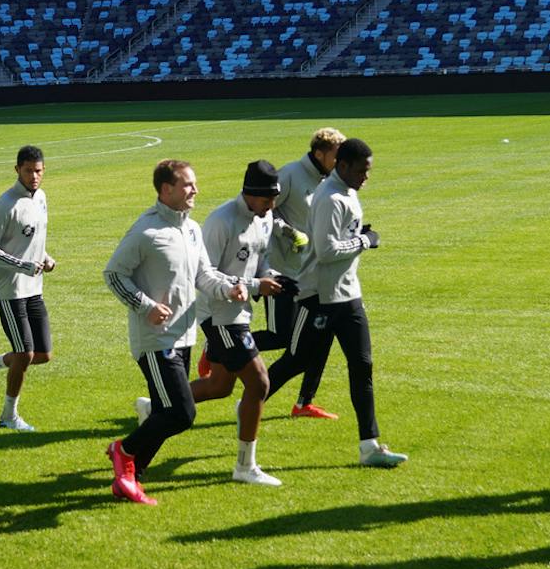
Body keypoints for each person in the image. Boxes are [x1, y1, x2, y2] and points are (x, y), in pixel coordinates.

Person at [102, 159, 248, 504]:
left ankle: (130, 478)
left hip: (184, 335)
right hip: (155, 340)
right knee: (181, 413)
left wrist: (229, 288)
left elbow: (203, 275)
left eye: (194, 183)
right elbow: (113, 274)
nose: (195, 190)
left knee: (163, 412)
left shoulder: (192, 229)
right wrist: (145, 306)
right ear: (166, 189)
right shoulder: (146, 231)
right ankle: (123, 451)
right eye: (187, 184)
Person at [265, 136, 405, 469]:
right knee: (295, 361)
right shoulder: (330, 197)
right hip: (319, 296)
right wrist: (364, 241)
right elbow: (326, 251)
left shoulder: (347, 191)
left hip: (348, 294)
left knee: (362, 366)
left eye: (368, 170)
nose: (366, 177)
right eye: (361, 170)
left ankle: (369, 445)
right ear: (342, 166)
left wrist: (357, 236)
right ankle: (249, 405)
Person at [172, 159, 289, 486]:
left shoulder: (264, 218)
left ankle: (156, 407)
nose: (271, 206)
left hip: (240, 313)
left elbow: (261, 258)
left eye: (274, 199)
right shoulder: (221, 221)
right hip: (219, 314)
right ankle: (244, 467)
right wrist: (256, 286)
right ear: (250, 193)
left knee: (219, 386)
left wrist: (271, 276)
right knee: (259, 383)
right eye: (267, 199)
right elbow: (203, 275)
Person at [0, 145, 53, 431]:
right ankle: (8, 416)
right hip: (9, 291)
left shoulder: (41, 198)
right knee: (24, 353)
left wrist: (44, 258)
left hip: (34, 287)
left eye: (38, 171)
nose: (33, 176)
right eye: (28, 171)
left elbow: (31, 241)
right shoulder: (6, 204)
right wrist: (22, 265)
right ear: (17, 170)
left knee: (42, 354)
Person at [267, 127, 343, 419]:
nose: (340, 163)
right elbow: (264, 209)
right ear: (320, 154)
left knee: (323, 335)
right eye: (336, 156)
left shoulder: (331, 180)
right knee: (282, 337)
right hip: (284, 269)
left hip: (315, 273)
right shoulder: (290, 174)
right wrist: (288, 232)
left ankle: (304, 402)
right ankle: (219, 348)